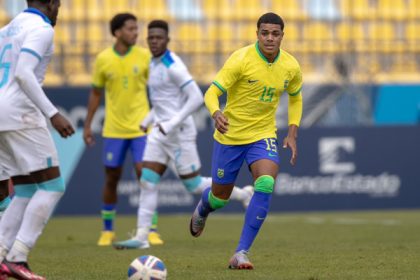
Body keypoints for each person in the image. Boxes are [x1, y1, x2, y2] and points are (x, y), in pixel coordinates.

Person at [113, 20, 253, 249]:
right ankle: (141, 237)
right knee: (147, 181)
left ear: (167, 40)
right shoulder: (152, 62)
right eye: (151, 38)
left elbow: (196, 97)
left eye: (159, 37)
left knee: (195, 186)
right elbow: (163, 101)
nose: (154, 41)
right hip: (159, 131)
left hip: (179, 133)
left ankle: (243, 194)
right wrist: (148, 120)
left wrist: (172, 123)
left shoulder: (172, 65)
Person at [189, 12, 303, 269]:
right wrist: (216, 113)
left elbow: (295, 96)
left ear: (282, 36)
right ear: (257, 34)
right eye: (265, 33)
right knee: (220, 197)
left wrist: (293, 132)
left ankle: (241, 252)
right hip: (230, 135)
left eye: (275, 33)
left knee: (265, 182)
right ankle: (204, 209)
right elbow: (212, 92)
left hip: (262, 135)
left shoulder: (291, 66)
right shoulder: (240, 59)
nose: (270, 38)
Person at [0, 0, 75, 279]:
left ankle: (2, 257)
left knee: (25, 188)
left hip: (1, 112)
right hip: (21, 114)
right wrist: (53, 114)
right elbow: (23, 73)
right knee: (53, 185)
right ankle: (18, 257)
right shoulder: (42, 28)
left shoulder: (7, 28)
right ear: (53, 4)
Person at [83, 13, 163, 247]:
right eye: (130, 29)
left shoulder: (145, 56)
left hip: (141, 128)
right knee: (112, 177)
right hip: (114, 130)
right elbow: (96, 92)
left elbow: (159, 87)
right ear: (117, 32)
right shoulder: (103, 59)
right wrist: (88, 125)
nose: (136, 33)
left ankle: (150, 230)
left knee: (145, 175)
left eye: (136, 29)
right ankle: (107, 230)